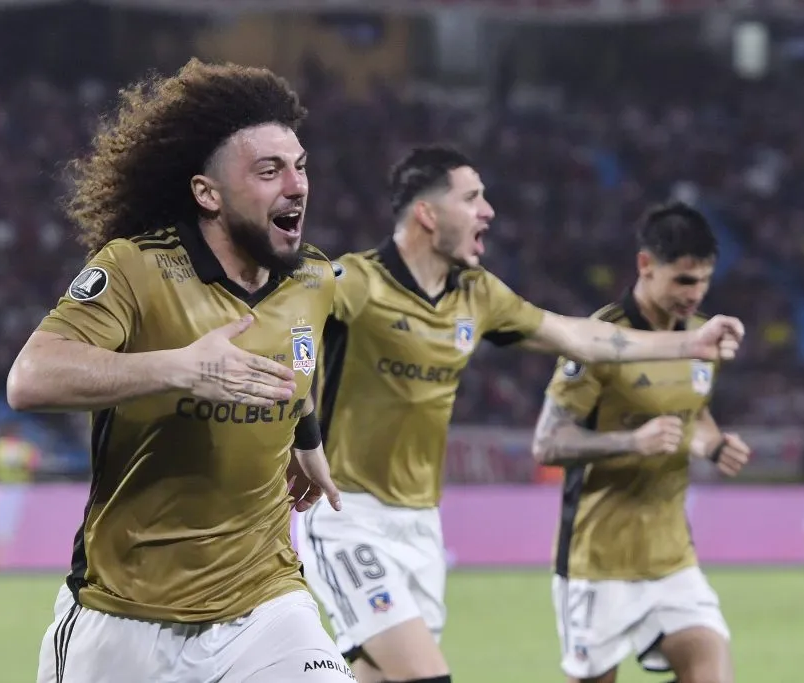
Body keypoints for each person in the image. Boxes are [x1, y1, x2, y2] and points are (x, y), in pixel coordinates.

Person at [294, 146, 746, 683]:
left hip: (420, 524)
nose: (488, 211)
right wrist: (301, 435)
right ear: (428, 214)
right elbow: (288, 330)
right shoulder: (357, 283)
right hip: (350, 516)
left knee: (382, 675)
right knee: (425, 677)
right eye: (472, 197)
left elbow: (579, 335)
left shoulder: (477, 294)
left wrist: (690, 344)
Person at [7, 59, 355, 683]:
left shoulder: (313, 279)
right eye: (268, 170)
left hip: (265, 604)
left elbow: (292, 369)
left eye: (300, 166)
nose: (297, 185)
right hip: (126, 618)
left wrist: (306, 438)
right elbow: (31, 378)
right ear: (208, 193)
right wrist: (180, 368)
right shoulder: (136, 269)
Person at [531, 203, 752, 683]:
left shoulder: (702, 339)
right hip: (597, 560)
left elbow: (694, 412)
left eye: (704, 281)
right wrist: (631, 441)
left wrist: (713, 444)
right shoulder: (600, 340)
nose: (696, 295)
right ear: (645, 266)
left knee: (712, 668)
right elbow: (547, 443)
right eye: (683, 281)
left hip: (672, 557)